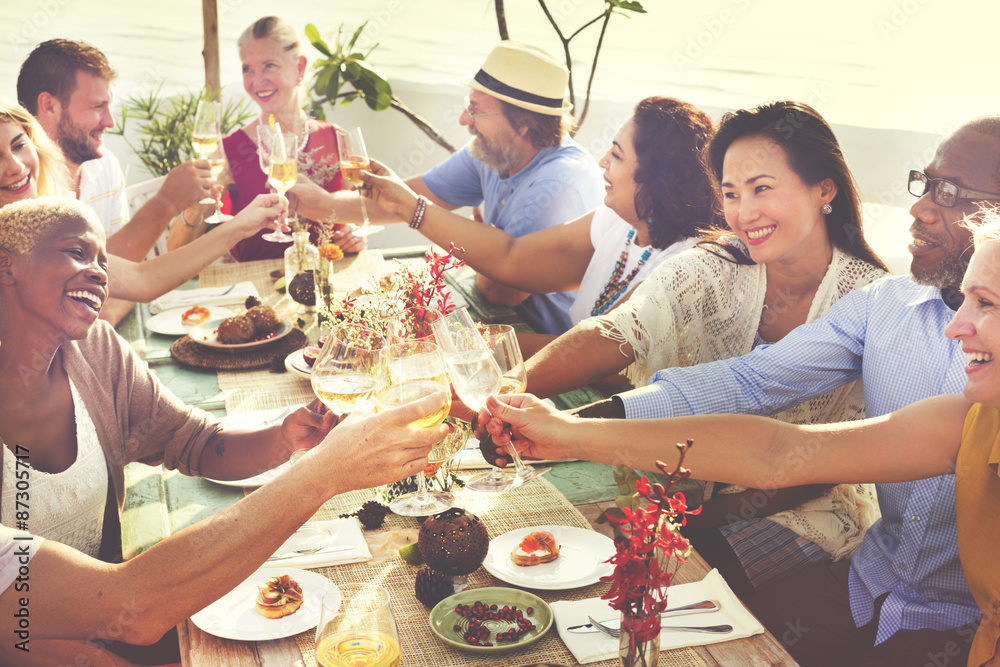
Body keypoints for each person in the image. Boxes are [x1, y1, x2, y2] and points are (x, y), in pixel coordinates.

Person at [548, 116, 1000, 665]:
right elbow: (752, 386)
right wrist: (583, 423)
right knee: (670, 640)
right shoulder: (886, 307)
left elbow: (785, 459)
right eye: (924, 185)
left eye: (949, 193)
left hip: (966, 627)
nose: (920, 208)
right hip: (864, 584)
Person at [508, 101, 889, 592]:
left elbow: (822, 466)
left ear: (824, 189)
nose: (744, 212)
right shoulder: (714, 265)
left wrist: (694, 519)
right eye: (730, 193)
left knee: (660, 581)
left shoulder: (871, 301)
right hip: (679, 483)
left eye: (762, 189)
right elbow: (618, 330)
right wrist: (510, 390)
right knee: (553, 555)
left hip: (804, 507)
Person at [0, 379, 444, 666]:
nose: (99, 271)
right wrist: (323, 472)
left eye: (99, 256)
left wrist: (290, 446)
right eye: (75, 250)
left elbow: (189, 438)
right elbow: (130, 606)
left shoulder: (89, 346)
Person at [362, 96, 716, 360]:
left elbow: (599, 360)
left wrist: (464, 340)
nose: (602, 162)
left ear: (657, 179)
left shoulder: (686, 266)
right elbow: (512, 258)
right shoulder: (619, 220)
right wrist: (409, 207)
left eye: (618, 156)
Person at [334, 40, 603, 335]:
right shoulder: (493, 150)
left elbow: (501, 292)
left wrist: (483, 247)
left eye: (475, 110)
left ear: (522, 124)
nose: (464, 120)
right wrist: (320, 204)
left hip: (545, 342)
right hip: (496, 318)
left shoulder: (558, 185)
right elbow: (409, 194)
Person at [0, 97, 288, 303]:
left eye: (19, 145)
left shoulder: (47, 225)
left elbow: (142, 279)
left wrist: (242, 224)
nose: (14, 166)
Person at [16, 39, 213, 325]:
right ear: (49, 106)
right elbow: (95, 279)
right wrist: (165, 203)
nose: (110, 121)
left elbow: (124, 274)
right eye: (98, 106)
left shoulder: (104, 164)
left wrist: (109, 308)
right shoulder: (20, 184)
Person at [167, 16, 366, 261]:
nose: (256, 80)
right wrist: (195, 207)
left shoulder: (336, 137)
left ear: (300, 68)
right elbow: (176, 250)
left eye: (269, 65)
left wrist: (356, 233)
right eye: (247, 68)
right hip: (256, 290)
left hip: (330, 279)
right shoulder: (229, 151)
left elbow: (358, 215)